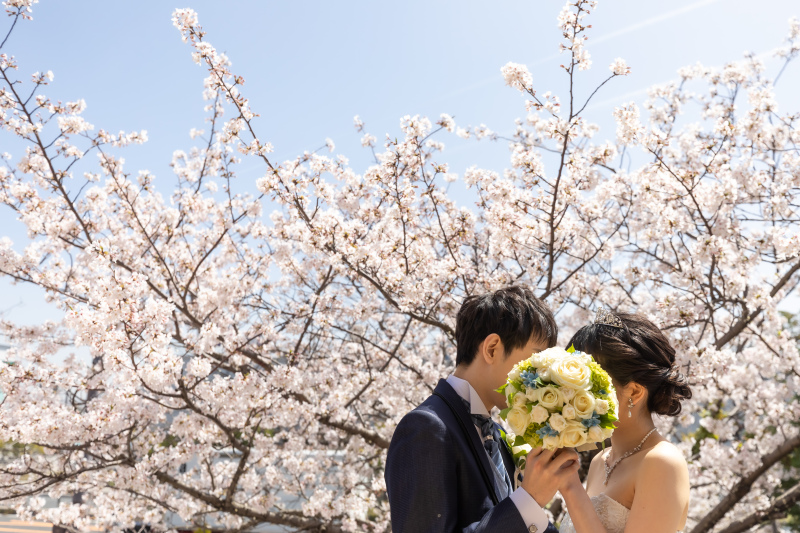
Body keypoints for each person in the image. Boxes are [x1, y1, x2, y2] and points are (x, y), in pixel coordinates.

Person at [385, 285, 579, 533]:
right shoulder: (426, 427)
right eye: (536, 358)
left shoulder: (498, 433)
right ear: (492, 349)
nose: (542, 376)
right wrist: (529, 499)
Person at [559, 309, 692, 533]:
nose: (572, 393)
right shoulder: (600, 461)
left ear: (634, 392)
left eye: (588, 382)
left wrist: (571, 488)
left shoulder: (661, 461)